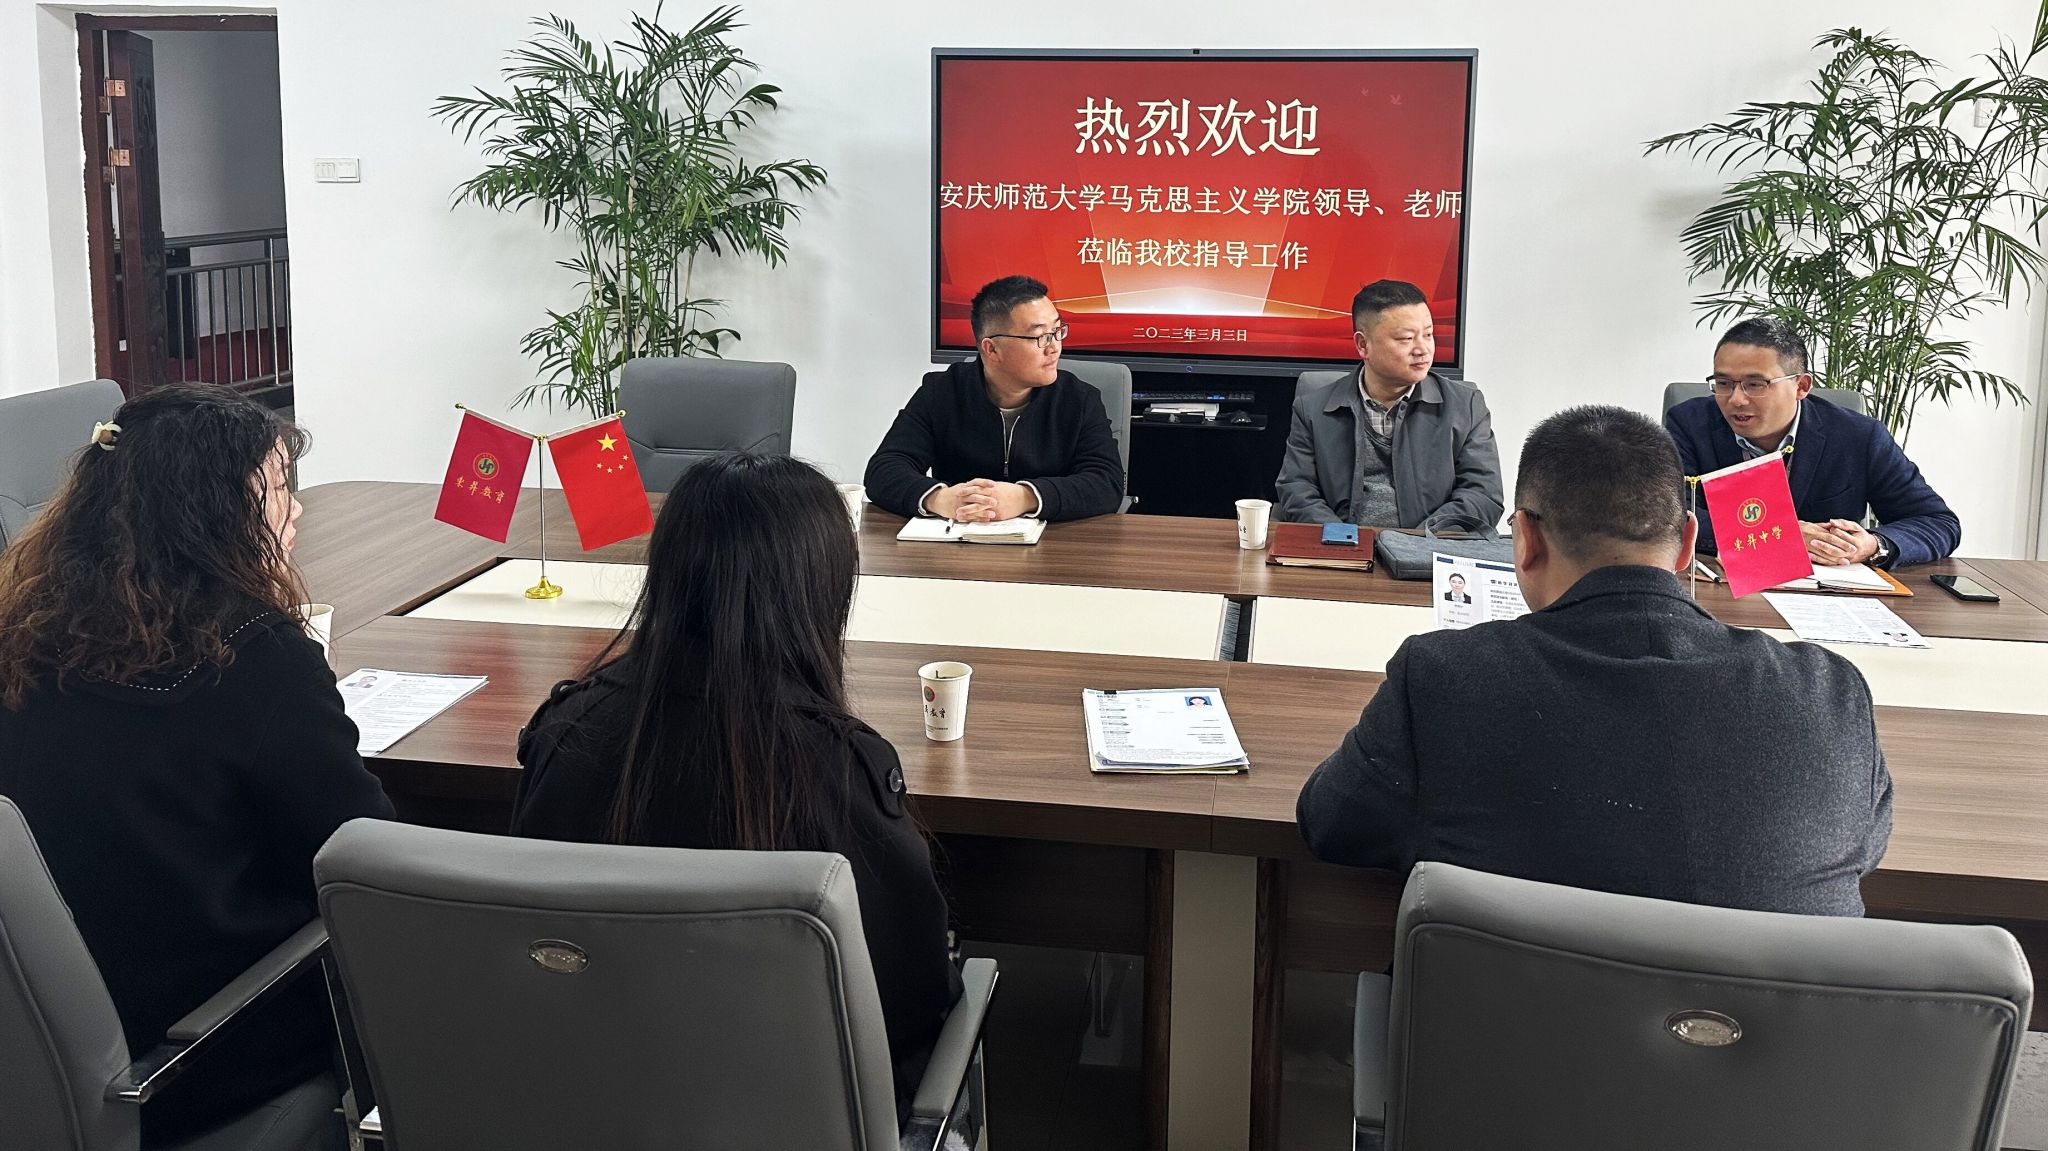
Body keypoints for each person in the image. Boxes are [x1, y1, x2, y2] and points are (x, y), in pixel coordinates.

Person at [1296, 405, 1891, 916]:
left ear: (1525, 540)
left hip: (1506, 1020)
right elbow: (1860, 849)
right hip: (1768, 1020)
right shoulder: (1829, 692)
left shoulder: (1443, 678)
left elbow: (1333, 827)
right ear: (1687, 543)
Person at [512, 452, 961, 1120]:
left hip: (589, 1105)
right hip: (790, 1116)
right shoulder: (836, 765)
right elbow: (914, 1002)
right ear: (823, 589)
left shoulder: (566, 730)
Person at [0, 384, 392, 1145]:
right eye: (277, 490)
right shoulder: (258, 657)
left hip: (37, 1058)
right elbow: (362, 856)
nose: (296, 511)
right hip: (191, 1055)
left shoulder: (25, 634)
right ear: (218, 511)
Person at [1665, 316, 1961, 568]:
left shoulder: (1858, 436)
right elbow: (1669, 515)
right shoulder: (1689, 424)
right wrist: (1781, 534)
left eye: (1755, 384)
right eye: (1724, 384)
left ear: (1801, 386)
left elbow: (1937, 522)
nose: (1736, 399)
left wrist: (1874, 544)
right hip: (1726, 588)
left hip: (1829, 593)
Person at [864, 275, 1123, 522]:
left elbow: (1106, 483)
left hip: (1053, 543)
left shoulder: (1079, 399)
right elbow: (884, 469)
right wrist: (940, 499)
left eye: (1057, 331)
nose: (1054, 347)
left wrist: (1026, 497)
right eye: (1040, 336)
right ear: (992, 349)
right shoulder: (942, 392)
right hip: (960, 538)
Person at [1274, 279, 1503, 529]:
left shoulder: (1465, 406)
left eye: (1428, 334)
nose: (1423, 349)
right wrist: (1342, 539)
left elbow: (1483, 495)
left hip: (1429, 546)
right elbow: (1296, 489)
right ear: (1363, 345)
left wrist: (1417, 540)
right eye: (1406, 338)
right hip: (1342, 546)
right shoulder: (1313, 409)